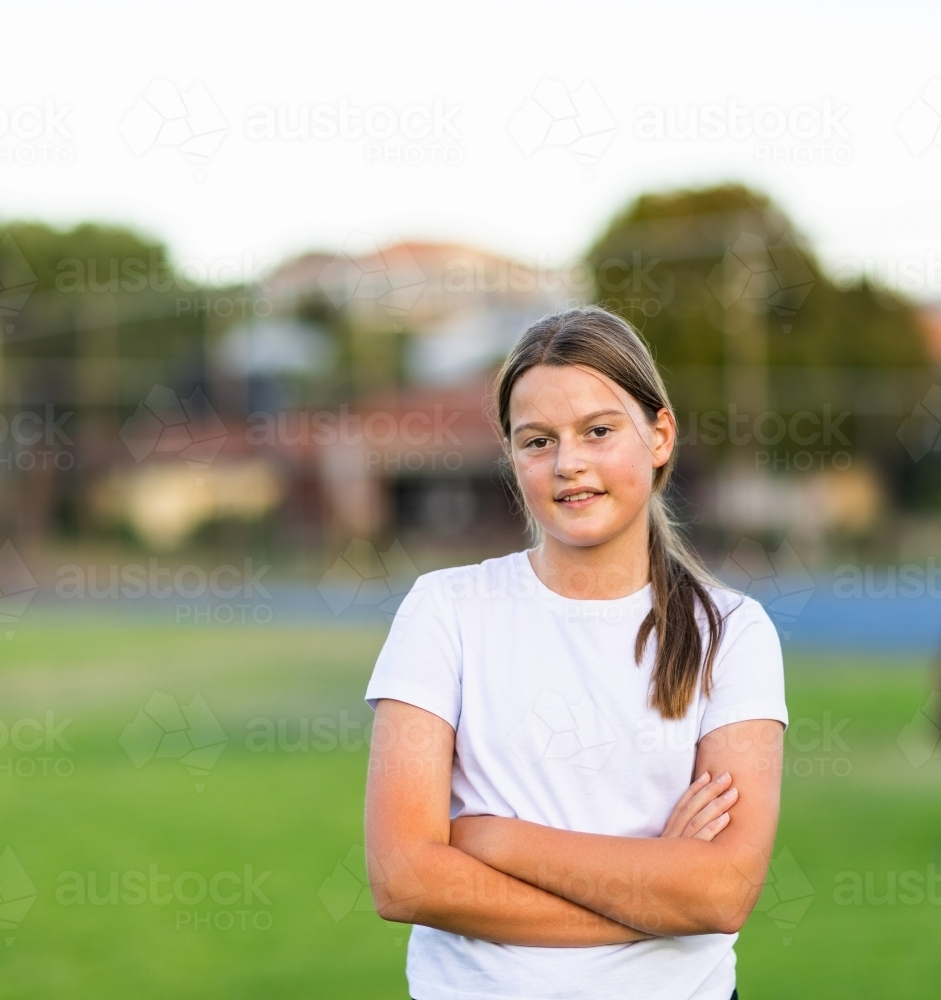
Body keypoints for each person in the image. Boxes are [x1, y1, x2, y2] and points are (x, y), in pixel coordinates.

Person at [363, 305, 787, 1000]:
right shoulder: (443, 610)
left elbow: (719, 895)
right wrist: (653, 890)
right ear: (510, 457)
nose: (569, 464)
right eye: (536, 441)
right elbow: (404, 878)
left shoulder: (732, 631)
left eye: (597, 430)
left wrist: (494, 842)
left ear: (658, 435)